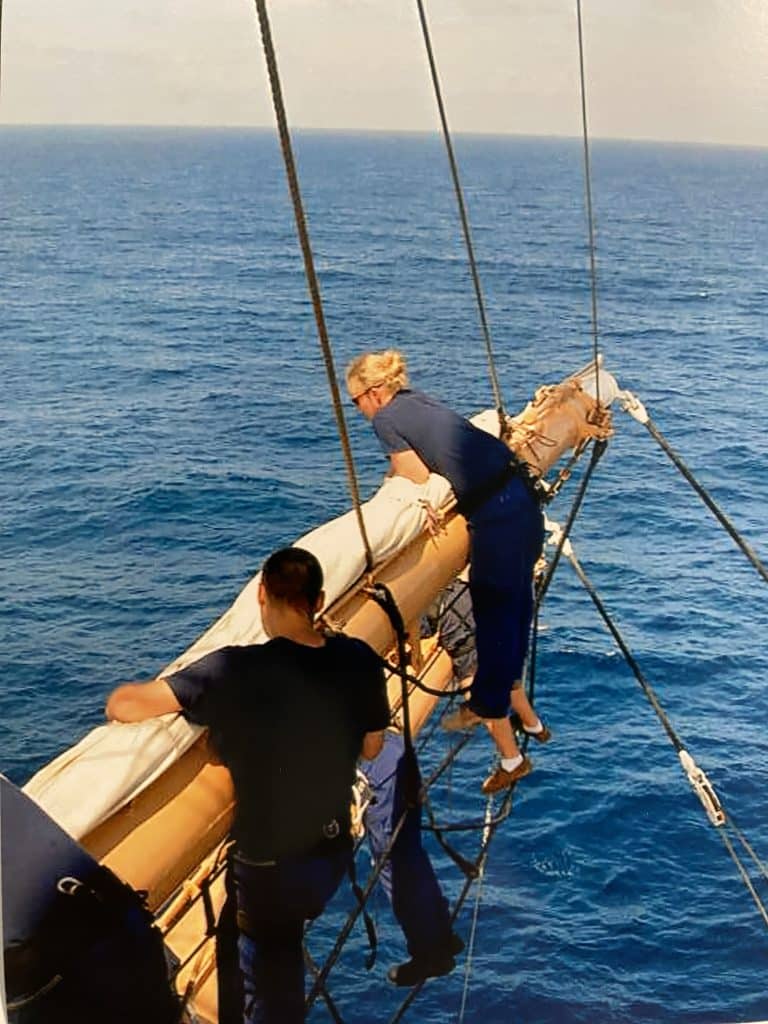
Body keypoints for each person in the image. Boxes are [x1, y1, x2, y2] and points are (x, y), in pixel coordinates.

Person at [105, 546, 391, 1024]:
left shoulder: (233, 670)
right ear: (319, 601)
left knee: (269, 987)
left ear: (262, 595)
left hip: (270, 871)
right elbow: (373, 747)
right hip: (330, 855)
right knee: (254, 954)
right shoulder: (358, 657)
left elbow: (126, 706)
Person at [347, 349, 550, 795]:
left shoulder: (386, 419)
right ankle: (526, 721)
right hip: (521, 502)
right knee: (516, 612)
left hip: (496, 517)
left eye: (356, 400)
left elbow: (414, 474)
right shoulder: (416, 400)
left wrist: (395, 489)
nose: (358, 410)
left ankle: (499, 732)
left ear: (374, 393)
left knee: (491, 617)